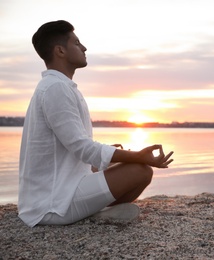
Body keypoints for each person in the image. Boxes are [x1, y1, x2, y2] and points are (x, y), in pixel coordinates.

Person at [18, 20, 174, 227]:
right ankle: (93, 213)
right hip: (52, 203)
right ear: (60, 51)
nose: (84, 48)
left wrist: (114, 155)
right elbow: (81, 147)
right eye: (77, 43)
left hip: (61, 189)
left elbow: (74, 147)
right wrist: (136, 156)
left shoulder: (61, 87)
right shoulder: (56, 89)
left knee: (122, 161)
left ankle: (96, 211)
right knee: (140, 170)